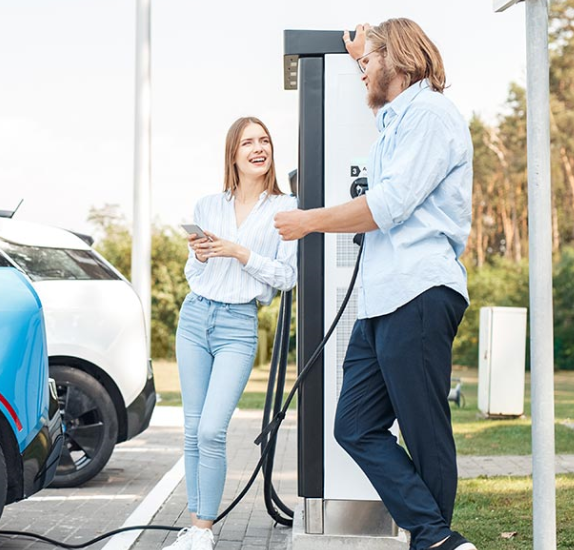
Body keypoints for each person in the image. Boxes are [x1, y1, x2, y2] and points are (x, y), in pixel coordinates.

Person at [274, 19, 476, 550]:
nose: (362, 71)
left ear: (400, 58)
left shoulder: (431, 115)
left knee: (423, 426)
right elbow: (383, 82)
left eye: (369, 63)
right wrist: (364, 59)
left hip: (419, 288)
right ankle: (435, 535)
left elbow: (388, 205)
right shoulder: (397, 118)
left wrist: (309, 220)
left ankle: (434, 540)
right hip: (383, 296)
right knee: (355, 424)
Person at [165, 116, 298, 550]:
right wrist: (202, 255)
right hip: (195, 316)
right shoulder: (209, 205)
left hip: (238, 325)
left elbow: (286, 276)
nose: (258, 148)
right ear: (233, 154)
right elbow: (192, 272)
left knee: (211, 430)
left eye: (264, 141)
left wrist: (240, 252)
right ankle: (195, 528)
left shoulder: (286, 208)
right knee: (191, 428)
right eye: (248, 143)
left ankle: (203, 531)